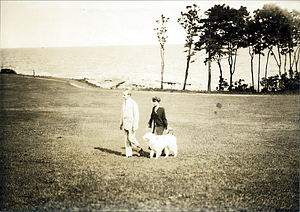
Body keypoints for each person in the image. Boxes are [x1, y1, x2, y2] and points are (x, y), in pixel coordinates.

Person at [120, 90, 143, 157]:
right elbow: (122, 113)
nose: (123, 96)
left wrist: (135, 125)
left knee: (131, 138)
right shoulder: (124, 103)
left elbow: (136, 115)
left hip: (131, 124)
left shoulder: (133, 103)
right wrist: (121, 123)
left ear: (129, 95)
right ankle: (129, 154)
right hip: (125, 124)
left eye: (124, 95)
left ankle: (139, 148)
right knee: (126, 139)